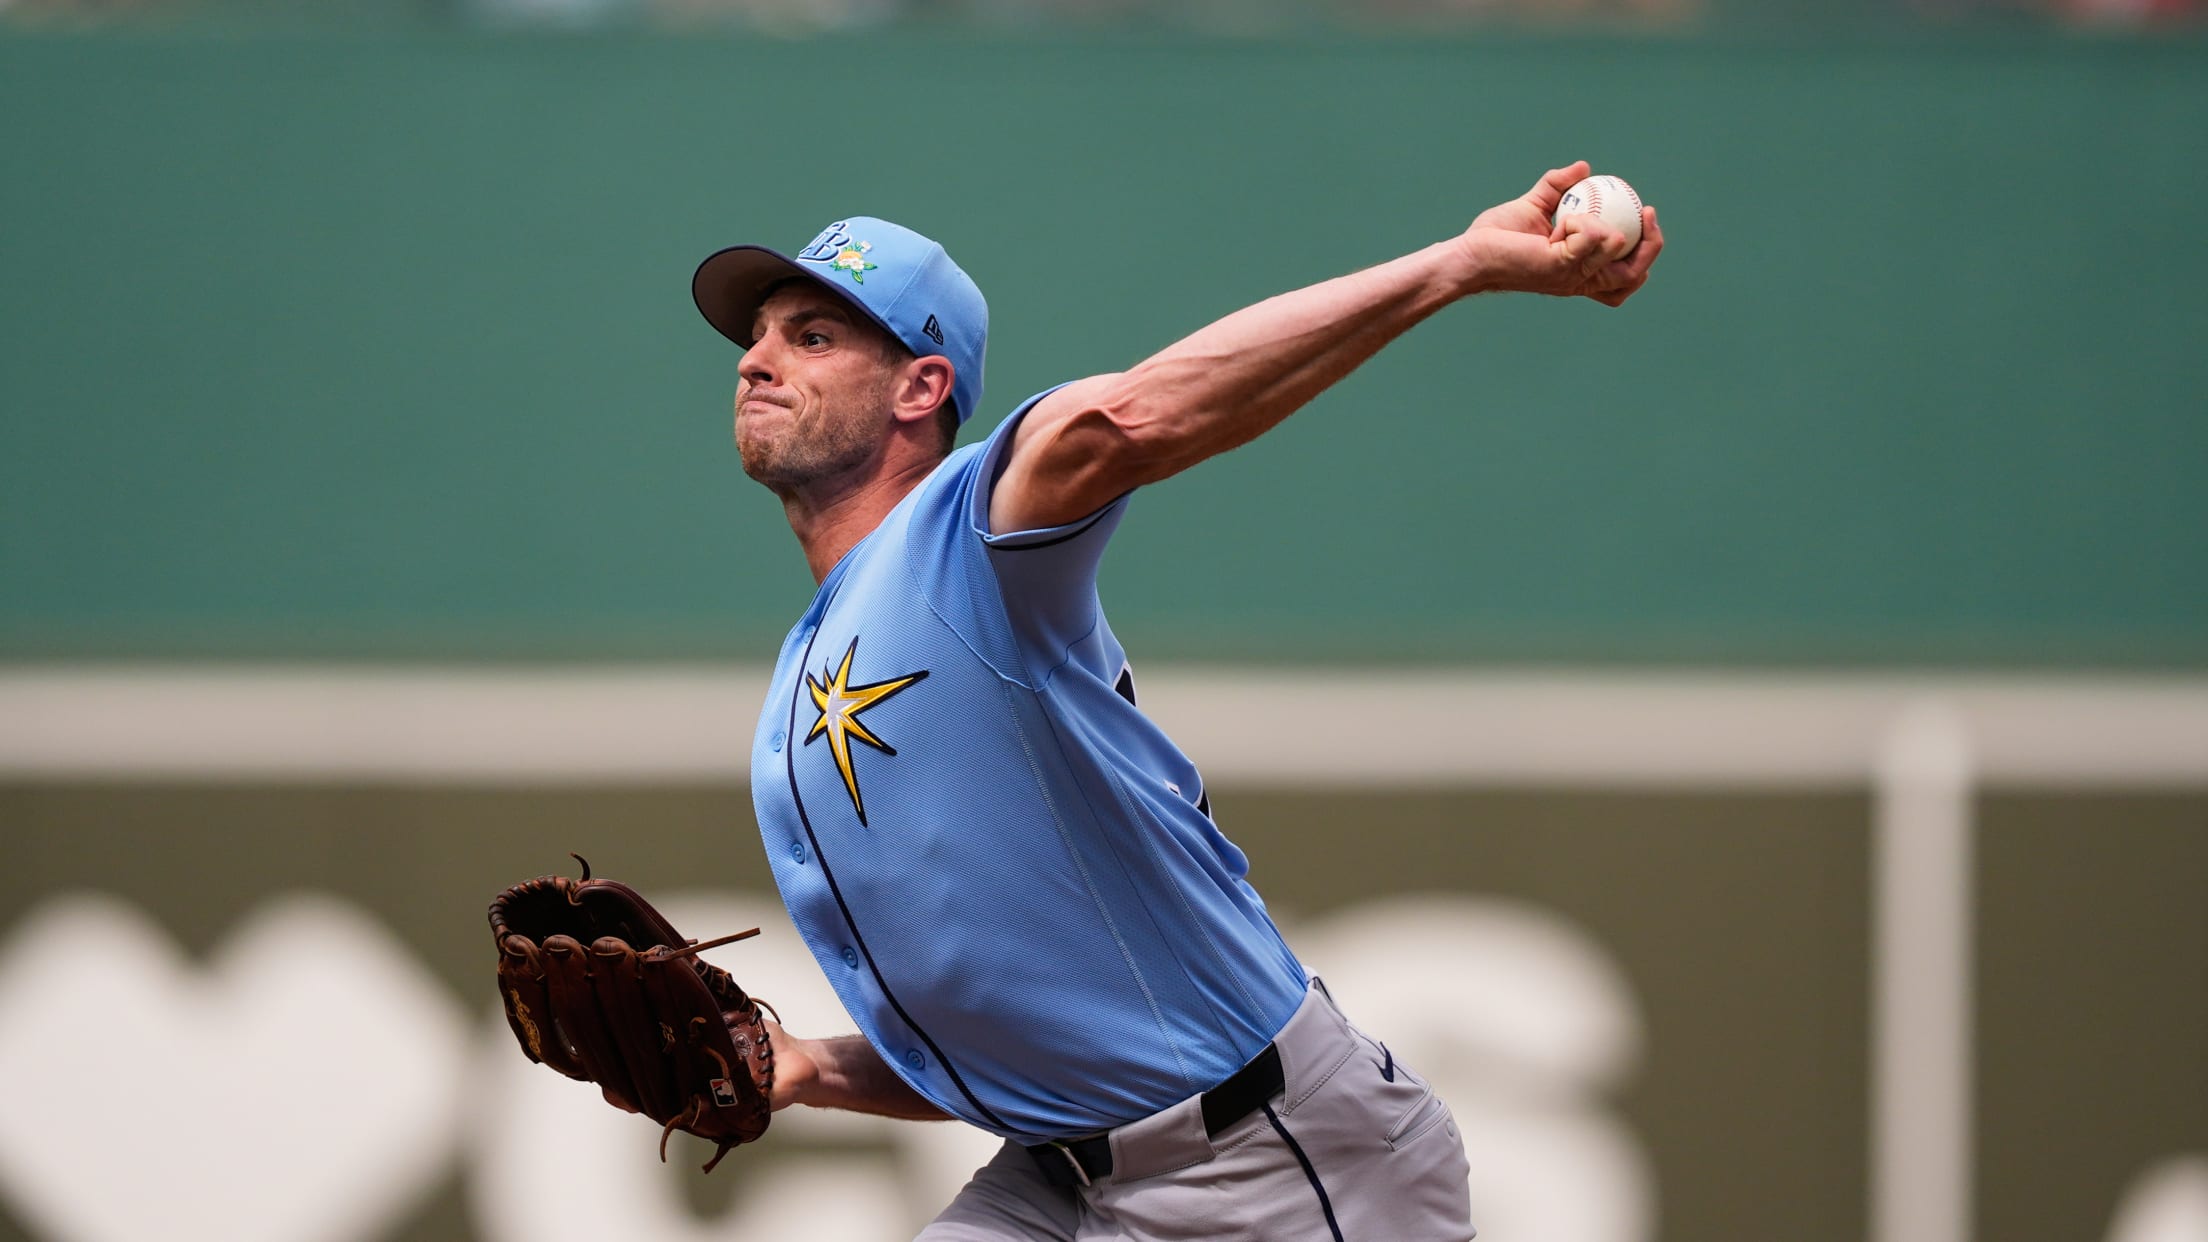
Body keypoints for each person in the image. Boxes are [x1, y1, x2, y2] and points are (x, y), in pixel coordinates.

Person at [688, 162, 1661, 1241]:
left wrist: (1458, 265)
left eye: (812, 337)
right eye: (761, 334)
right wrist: (813, 1066)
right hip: (1059, 1177)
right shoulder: (807, 669)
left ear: (920, 387)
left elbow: (1139, 415)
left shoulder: (971, 532)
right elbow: (1026, 1043)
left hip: (1273, 1166)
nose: (756, 360)